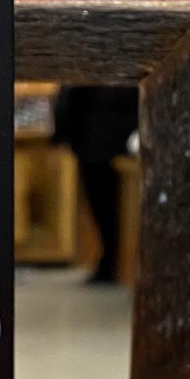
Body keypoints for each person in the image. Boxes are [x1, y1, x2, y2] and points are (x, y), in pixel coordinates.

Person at [53, 86, 138, 284]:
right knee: (116, 210)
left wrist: (61, 136)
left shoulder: (84, 77)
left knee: (102, 208)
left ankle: (109, 264)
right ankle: (113, 263)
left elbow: (69, 101)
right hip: (121, 145)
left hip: (92, 145)